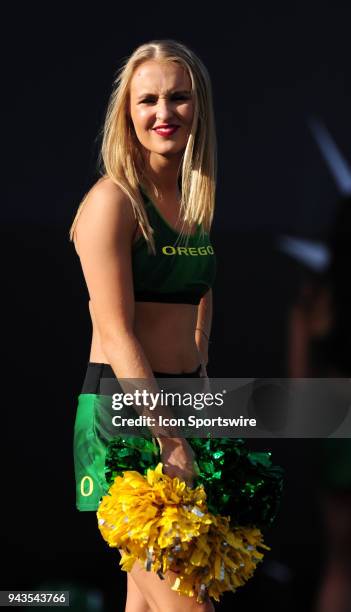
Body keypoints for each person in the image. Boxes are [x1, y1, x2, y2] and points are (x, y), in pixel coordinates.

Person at [69, 39, 217, 612]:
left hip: (180, 405)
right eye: (148, 100)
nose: (164, 113)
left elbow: (201, 300)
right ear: (126, 113)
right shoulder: (113, 202)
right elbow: (117, 331)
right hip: (127, 415)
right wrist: (170, 437)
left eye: (178, 98)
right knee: (187, 603)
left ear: (197, 106)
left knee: (148, 601)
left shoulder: (195, 196)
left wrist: (202, 386)